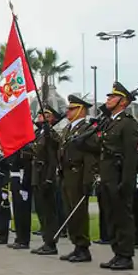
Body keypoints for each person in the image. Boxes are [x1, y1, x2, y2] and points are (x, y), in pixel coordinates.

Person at [80, 82, 138, 270]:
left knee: (123, 217)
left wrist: (127, 182)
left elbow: (131, 157)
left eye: (112, 97)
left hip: (119, 176)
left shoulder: (128, 123)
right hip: (107, 176)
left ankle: (126, 255)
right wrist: (82, 143)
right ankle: (117, 252)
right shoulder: (110, 122)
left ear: (123, 102)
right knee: (111, 216)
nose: (108, 100)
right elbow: (101, 148)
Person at [57, 95, 95, 262]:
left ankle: (83, 247)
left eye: (72, 108)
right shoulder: (67, 129)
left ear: (81, 110)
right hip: (66, 175)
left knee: (78, 212)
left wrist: (88, 179)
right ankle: (76, 245)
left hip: (78, 174)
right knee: (69, 212)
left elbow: (90, 157)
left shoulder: (87, 129)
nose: (68, 111)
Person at [30, 106, 61, 256]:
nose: (40, 116)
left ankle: (51, 243)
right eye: (40, 114)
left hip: (45, 176)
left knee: (49, 212)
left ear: (51, 118)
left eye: (45, 114)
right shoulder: (39, 133)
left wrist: (49, 178)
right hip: (37, 175)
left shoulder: (50, 135)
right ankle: (46, 240)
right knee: (41, 211)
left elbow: (53, 159)